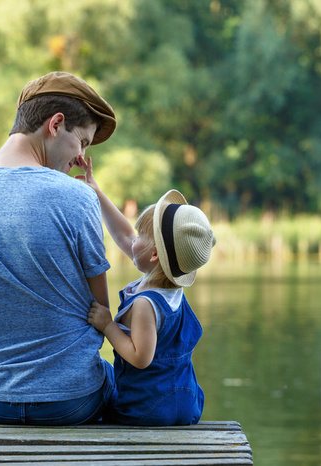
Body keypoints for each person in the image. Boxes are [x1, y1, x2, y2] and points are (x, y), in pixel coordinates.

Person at [0, 71, 118, 425]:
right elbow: (100, 313)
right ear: (56, 125)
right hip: (73, 403)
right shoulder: (78, 198)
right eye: (84, 143)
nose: (81, 158)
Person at [76, 155, 216, 425]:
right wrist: (96, 191)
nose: (133, 238)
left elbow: (140, 357)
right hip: (185, 400)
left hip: (148, 407)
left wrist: (107, 325)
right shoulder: (171, 289)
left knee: (101, 383)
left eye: (141, 235)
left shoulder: (145, 304)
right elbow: (125, 236)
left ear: (153, 255)